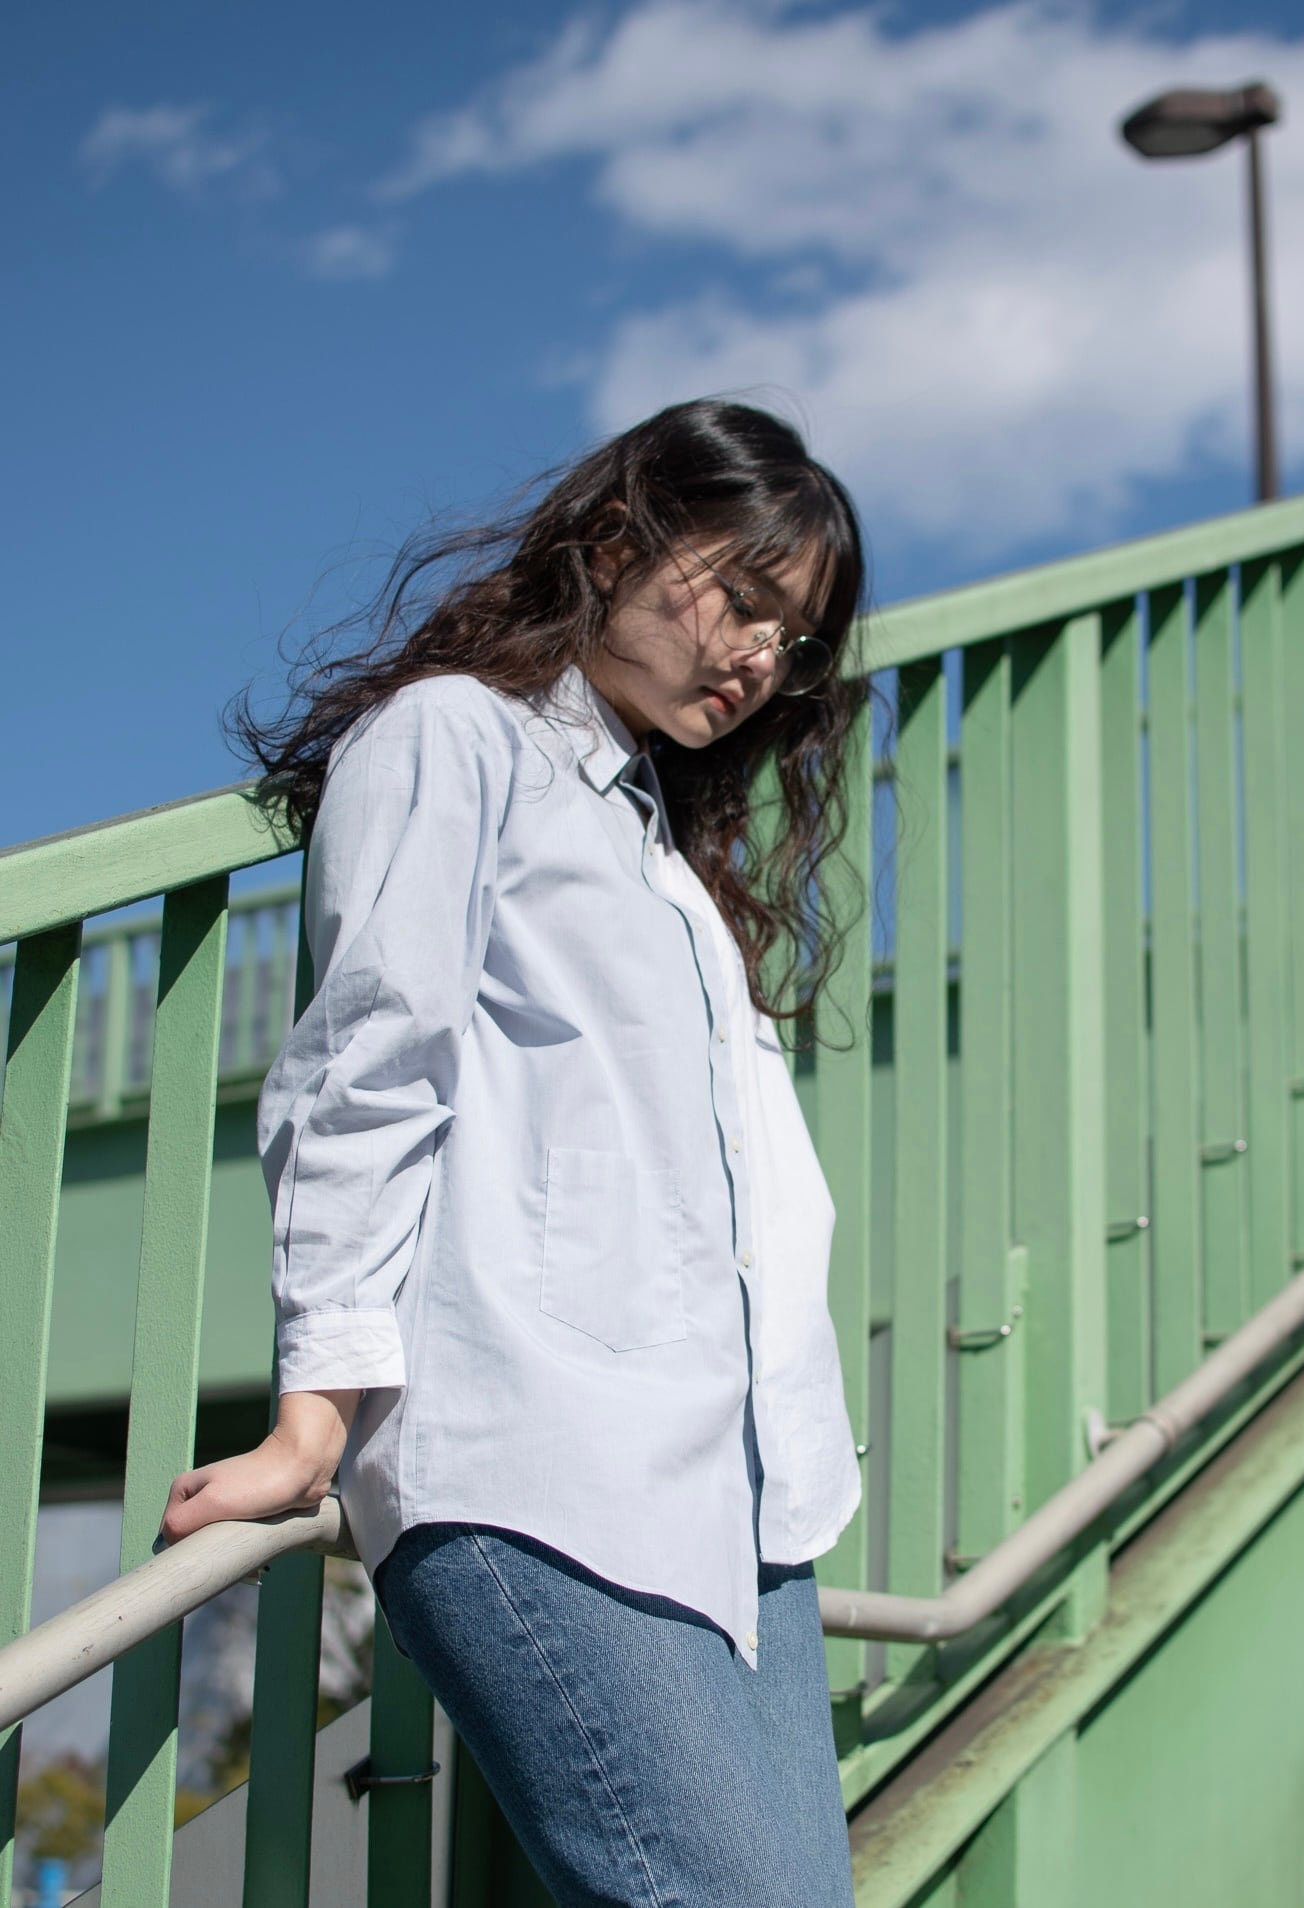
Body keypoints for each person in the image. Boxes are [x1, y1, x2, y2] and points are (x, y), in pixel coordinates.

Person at [162, 397, 870, 1906]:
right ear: (615, 540)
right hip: (538, 1465)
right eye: (743, 596)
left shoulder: (664, 857)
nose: (761, 656)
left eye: (795, 638)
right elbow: (366, 1074)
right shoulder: (454, 738)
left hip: (745, 1500)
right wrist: (314, 1417)